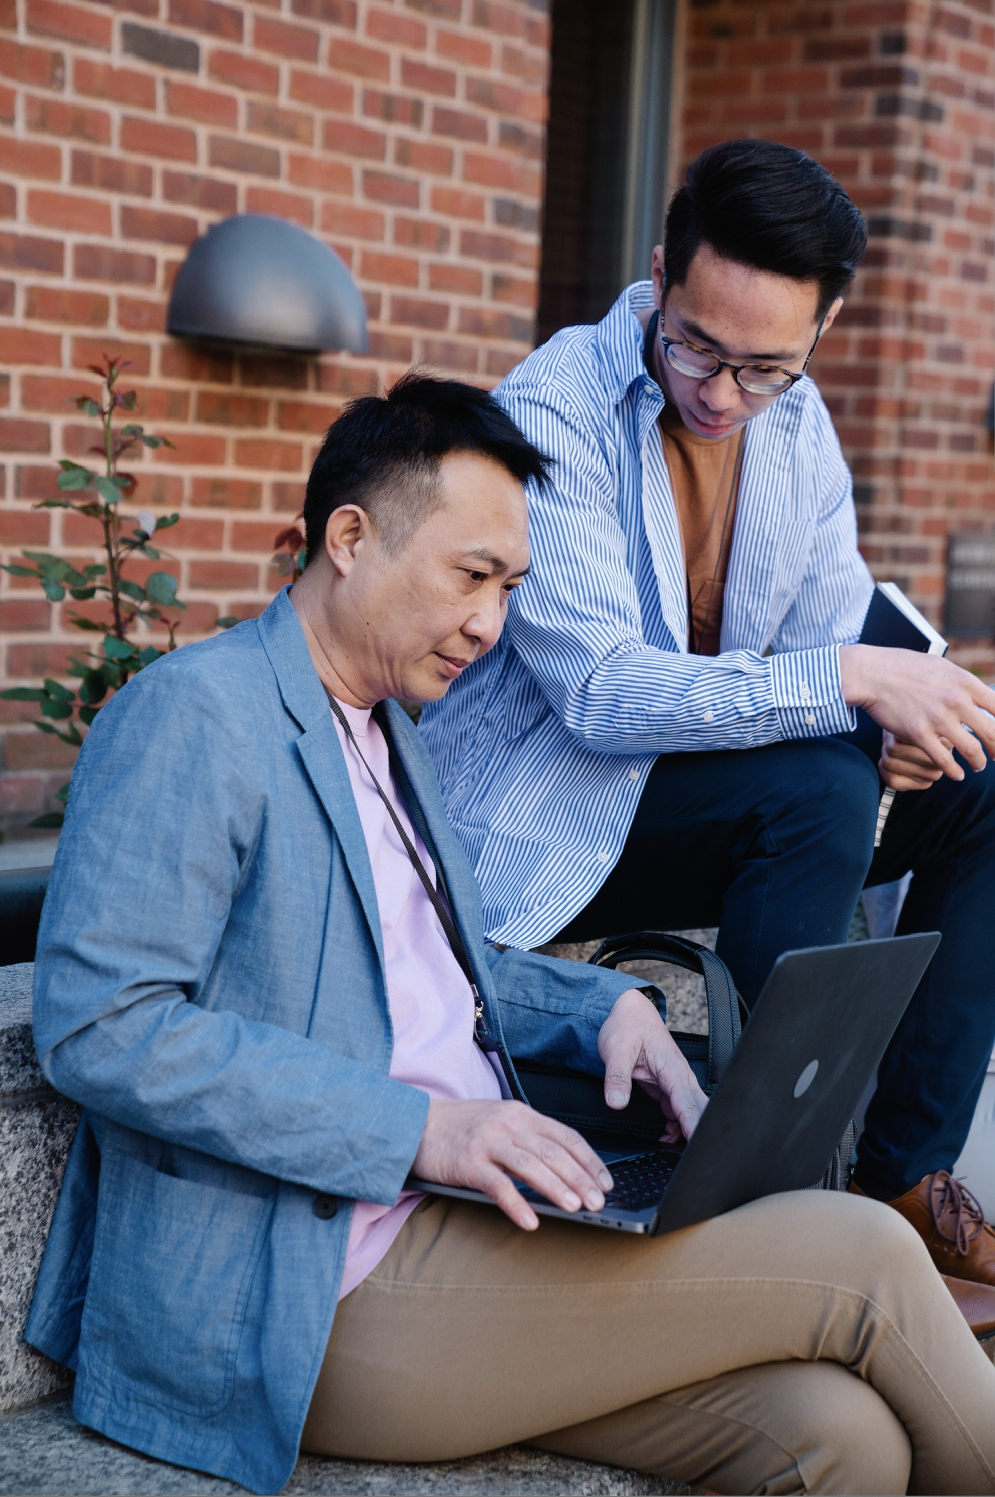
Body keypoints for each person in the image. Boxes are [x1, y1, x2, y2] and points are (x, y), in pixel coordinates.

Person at [26, 375, 995, 1497]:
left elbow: (440, 965)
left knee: (834, 1438)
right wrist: (421, 1130)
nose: (490, 623)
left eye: (509, 586)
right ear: (349, 537)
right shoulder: (195, 712)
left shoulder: (389, 732)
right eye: (470, 578)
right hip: (306, 1287)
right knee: (865, 1252)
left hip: (459, 1224)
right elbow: (104, 1028)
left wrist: (603, 1009)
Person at [421, 139, 995, 1290]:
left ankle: (900, 1176)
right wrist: (844, 685)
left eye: (763, 366)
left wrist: (906, 724)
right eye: (693, 345)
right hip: (550, 818)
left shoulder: (795, 419)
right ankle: (769, 1207)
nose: (719, 392)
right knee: (814, 786)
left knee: (978, 785)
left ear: (820, 329)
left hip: (710, 788)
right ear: (658, 272)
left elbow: (829, 615)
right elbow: (598, 696)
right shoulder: (550, 410)